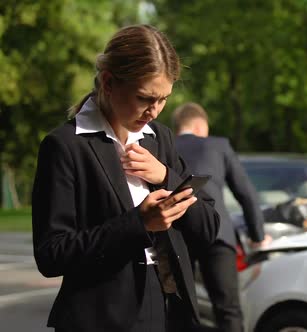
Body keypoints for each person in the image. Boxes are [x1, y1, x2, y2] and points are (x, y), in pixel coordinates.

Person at [32, 25, 220, 332]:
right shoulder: (65, 146)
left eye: (163, 99)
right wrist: (139, 224)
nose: (155, 111)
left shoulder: (160, 139)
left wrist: (165, 176)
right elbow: (52, 255)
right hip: (101, 318)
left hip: (170, 310)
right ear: (108, 82)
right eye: (145, 97)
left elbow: (209, 227)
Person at [173, 102, 271, 332]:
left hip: (177, 234)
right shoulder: (219, 145)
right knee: (227, 309)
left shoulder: (164, 144)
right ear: (199, 126)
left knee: (178, 308)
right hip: (218, 234)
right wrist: (257, 235)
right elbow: (246, 194)